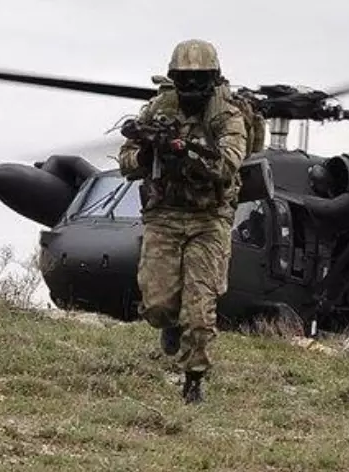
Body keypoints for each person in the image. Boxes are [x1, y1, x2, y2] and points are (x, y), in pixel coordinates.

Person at [117, 39, 249, 403]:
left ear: (213, 79)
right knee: (158, 304)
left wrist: (186, 154)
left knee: (200, 307)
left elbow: (227, 164)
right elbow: (125, 161)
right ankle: (169, 326)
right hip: (164, 214)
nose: (191, 87)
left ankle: (194, 380)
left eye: (199, 79)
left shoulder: (227, 114)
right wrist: (146, 152)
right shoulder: (160, 108)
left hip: (209, 219)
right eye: (184, 79)